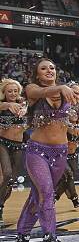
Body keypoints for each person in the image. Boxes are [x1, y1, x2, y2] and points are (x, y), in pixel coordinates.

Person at [15, 58, 79, 242]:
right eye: (44, 68)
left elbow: (72, 109)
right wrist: (62, 87)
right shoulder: (32, 89)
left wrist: (74, 89)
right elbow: (39, 92)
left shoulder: (67, 92)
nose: (49, 71)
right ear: (37, 74)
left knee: (38, 196)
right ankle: (50, 239)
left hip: (61, 153)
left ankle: (22, 236)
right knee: (46, 193)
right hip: (37, 151)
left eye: (52, 68)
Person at [0, 79, 28, 224]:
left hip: (18, 145)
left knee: (11, 181)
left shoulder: (24, 104)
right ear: (4, 92)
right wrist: (8, 104)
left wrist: (25, 110)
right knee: (7, 173)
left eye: (15, 91)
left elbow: (28, 111)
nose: (12, 93)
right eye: (9, 91)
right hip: (2, 143)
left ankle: (1, 204)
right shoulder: (2, 105)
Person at [55, 109, 79, 209]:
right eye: (71, 113)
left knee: (67, 179)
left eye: (75, 113)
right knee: (69, 175)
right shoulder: (65, 126)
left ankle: (56, 196)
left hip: (72, 156)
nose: (74, 114)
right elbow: (70, 128)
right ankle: (74, 199)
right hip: (61, 155)